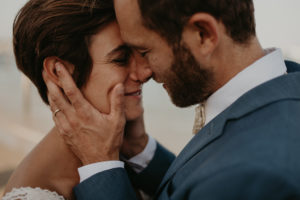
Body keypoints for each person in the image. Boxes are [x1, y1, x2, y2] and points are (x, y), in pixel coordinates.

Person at [44, 0, 300, 199]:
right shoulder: (288, 87)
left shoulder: (255, 175)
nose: (142, 72)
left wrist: (100, 164)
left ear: (203, 34)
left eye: (145, 51)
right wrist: (140, 148)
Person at [2, 0, 153, 199]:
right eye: (121, 59)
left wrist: (138, 146)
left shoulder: (127, 156)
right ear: (58, 72)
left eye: (140, 53)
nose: (145, 72)